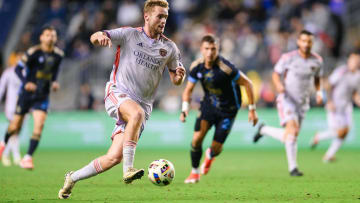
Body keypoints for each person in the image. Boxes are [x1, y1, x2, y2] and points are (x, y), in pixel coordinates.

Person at [58, 0, 186, 199]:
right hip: (118, 91)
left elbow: (175, 79)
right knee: (136, 114)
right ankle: (129, 170)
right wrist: (98, 36)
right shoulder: (129, 34)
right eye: (159, 16)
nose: (163, 21)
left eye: (165, 17)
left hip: (143, 104)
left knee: (113, 157)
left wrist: (179, 76)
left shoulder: (169, 48)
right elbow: (96, 36)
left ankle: (72, 178)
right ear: (147, 16)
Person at [180, 34, 258, 184]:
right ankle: (194, 173)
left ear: (218, 49)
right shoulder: (197, 67)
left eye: (213, 49)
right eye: (207, 49)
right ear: (201, 49)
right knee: (196, 140)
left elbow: (247, 83)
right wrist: (184, 109)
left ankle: (210, 155)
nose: (210, 52)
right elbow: (188, 89)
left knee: (216, 148)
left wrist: (252, 109)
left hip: (228, 110)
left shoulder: (226, 68)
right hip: (209, 104)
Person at [253, 30, 323, 176]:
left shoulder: (317, 60)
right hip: (287, 99)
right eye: (303, 41)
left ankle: (264, 130)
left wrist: (319, 92)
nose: (306, 44)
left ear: (312, 43)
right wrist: (278, 85)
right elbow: (275, 73)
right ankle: (293, 168)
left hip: (303, 102)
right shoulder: (288, 58)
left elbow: (317, 78)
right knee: (293, 131)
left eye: (309, 41)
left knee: (290, 136)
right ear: (298, 42)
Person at [0, 25, 63, 170]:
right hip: (26, 94)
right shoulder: (33, 52)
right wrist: (26, 82)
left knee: (39, 126)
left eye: (53, 35)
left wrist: (54, 82)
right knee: (15, 125)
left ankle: (27, 158)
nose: (50, 38)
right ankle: (3, 143)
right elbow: (17, 69)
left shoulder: (59, 55)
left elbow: (54, 72)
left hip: (42, 96)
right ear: (41, 37)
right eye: (47, 35)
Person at [310, 51, 360, 162]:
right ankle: (320, 137)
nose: (355, 63)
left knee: (345, 132)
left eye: (357, 61)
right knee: (340, 131)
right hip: (335, 106)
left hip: (346, 107)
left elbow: (355, 93)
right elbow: (328, 85)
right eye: (354, 60)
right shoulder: (341, 71)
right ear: (349, 61)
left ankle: (328, 155)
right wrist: (329, 101)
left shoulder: (358, 76)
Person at [0, 55, 23, 166]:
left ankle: (6, 154)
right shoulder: (8, 72)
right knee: (13, 131)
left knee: (16, 132)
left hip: (22, 106)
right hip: (11, 107)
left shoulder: (25, 73)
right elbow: (1, 88)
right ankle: (16, 156)